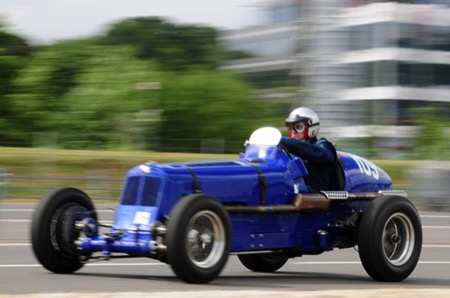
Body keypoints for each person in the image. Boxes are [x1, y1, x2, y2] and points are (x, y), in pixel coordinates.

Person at [280, 107, 340, 193]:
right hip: (296, 193)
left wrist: (280, 139)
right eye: (290, 128)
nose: (293, 132)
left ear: (312, 128)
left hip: (317, 198)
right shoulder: (290, 150)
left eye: (298, 127)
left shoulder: (323, 146)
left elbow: (317, 153)